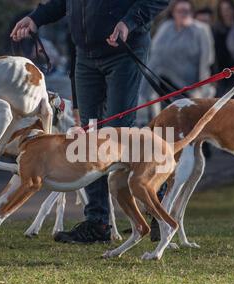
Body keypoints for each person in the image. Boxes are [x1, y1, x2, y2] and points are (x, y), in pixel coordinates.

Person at [11, 0, 169, 244]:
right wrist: (35, 18)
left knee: (118, 136)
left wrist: (128, 22)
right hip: (85, 56)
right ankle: (98, 223)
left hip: (124, 53)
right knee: (88, 138)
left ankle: (156, 204)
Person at [137, 0, 214, 126]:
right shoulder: (166, 27)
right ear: (173, 13)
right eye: (180, 11)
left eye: (187, 11)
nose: (183, 14)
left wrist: (203, 87)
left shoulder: (201, 30)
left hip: (189, 86)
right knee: (166, 125)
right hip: (162, 83)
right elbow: (155, 53)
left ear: (192, 13)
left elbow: (206, 60)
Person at [213, 0, 234, 96]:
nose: (226, 12)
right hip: (222, 73)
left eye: (228, 9)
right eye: (223, 10)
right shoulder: (216, 30)